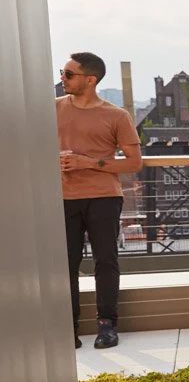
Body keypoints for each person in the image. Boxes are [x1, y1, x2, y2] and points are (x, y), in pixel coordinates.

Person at [56, 51, 141, 348]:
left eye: (69, 74)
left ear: (89, 80)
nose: (62, 78)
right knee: (65, 263)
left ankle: (107, 326)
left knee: (106, 261)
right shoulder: (51, 110)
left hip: (104, 197)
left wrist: (87, 163)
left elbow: (134, 163)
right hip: (62, 198)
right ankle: (68, 328)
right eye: (63, 73)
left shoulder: (116, 116)